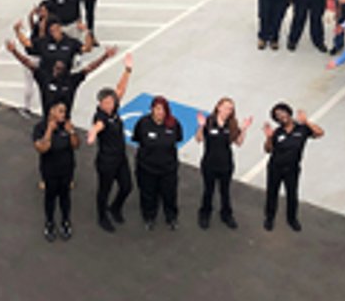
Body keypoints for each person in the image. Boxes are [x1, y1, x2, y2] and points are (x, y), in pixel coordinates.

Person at [87, 54, 135, 232]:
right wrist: (92, 134)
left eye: (110, 102)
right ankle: (102, 216)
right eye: (105, 103)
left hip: (120, 157)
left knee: (127, 186)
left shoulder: (114, 109)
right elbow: (98, 126)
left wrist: (128, 70)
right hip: (106, 161)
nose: (109, 105)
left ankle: (115, 208)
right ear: (100, 104)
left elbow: (120, 89)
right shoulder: (101, 116)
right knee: (104, 190)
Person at [262, 103, 325, 232]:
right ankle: (269, 218)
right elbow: (268, 150)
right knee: (272, 193)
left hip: (292, 169)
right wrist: (268, 138)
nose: (281, 117)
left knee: (292, 194)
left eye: (282, 113)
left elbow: (320, 133)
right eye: (277, 116)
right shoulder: (277, 132)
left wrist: (306, 121)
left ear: (288, 112)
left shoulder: (301, 129)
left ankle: (292, 219)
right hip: (275, 168)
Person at [196, 98, 251, 230]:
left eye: (231, 109)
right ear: (219, 107)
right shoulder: (209, 121)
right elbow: (199, 139)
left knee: (225, 192)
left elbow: (238, 143)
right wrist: (201, 126)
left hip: (226, 165)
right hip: (209, 164)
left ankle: (226, 215)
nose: (228, 111)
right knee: (208, 191)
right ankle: (205, 214)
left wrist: (243, 129)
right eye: (226, 107)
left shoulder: (231, 124)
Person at [133, 96, 184, 231]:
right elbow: (137, 139)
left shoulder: (173, 124)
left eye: (163, 109)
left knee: (170, 194)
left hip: (168, 169)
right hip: (147, 168)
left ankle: (171, 217)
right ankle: (149, 217)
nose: (160, 112)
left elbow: (178, 138)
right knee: (148, 194)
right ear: (152, 109)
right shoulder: (143, 123)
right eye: (157, 109)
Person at [34, 100, 81, 241]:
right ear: (51, 111)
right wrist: (49, 130)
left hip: (66, 170)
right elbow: (41, 148)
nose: (63, 114)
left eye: (64, 111)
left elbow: (76, 145)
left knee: (65, 197)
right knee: (50, 198)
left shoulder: (66, 126)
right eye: (60, 111)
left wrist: (71, 132)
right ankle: (49, 223)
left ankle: (65, 221)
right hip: (50, 171)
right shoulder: (40, 127)